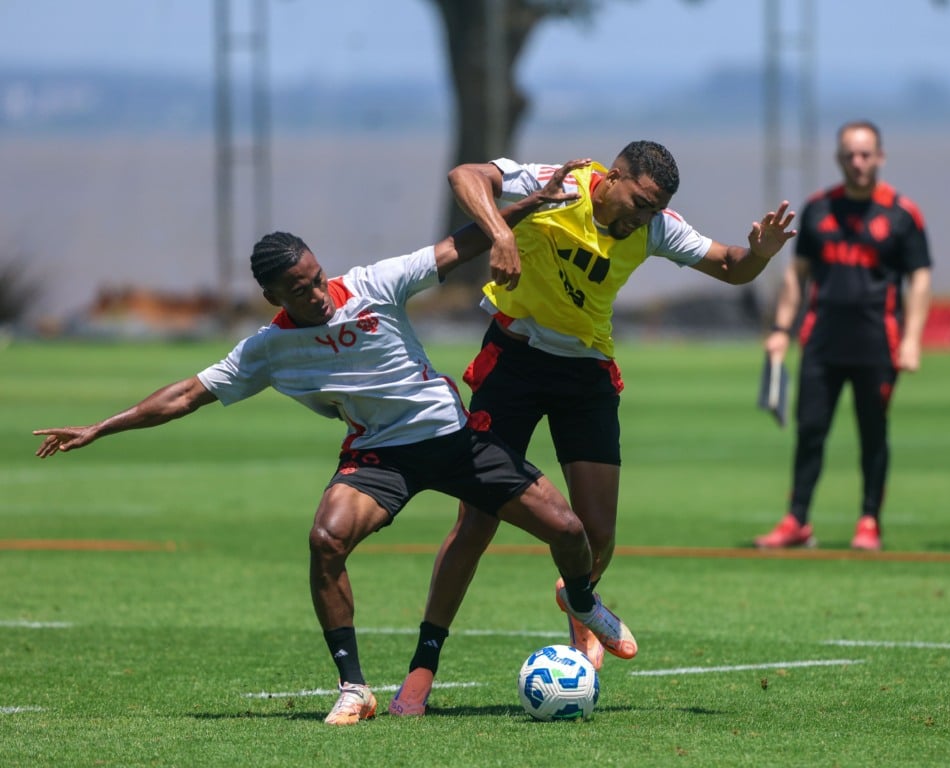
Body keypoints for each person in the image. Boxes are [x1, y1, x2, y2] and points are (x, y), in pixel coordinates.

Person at [31, 161, 637, 726]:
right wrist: (100, 427)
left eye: (317, 278)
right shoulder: (267, 348)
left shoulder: (374, 285)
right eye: (300, 289)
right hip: (379, 458)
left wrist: (526, 207)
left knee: (567, 530)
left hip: (453, 439)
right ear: (275, 298)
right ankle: (355, 687)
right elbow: (186, 395)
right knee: (326, 540)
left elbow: (458, 247)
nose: (318, 293)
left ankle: (582, 602)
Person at [389, 139, 797, 717]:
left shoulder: (654, 228)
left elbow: (730, 265)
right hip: (514, 359)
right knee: (476, 520)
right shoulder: (556, 183)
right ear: (613, 177)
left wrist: (760, 253)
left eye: (654, 209)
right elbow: (465, 175)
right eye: (639, 201)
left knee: (597, 532)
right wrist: (503, 234)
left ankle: (575, 597)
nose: (643, 217)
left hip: (585, 371)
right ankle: (423, 668)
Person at [753, 121, 932, 552]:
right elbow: (797, 278)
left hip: (878, 341)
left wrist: (911, 340)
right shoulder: (817, 210)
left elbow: (920, 279)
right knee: (810, 430)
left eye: (866, 154)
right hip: (822, 341)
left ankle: (869, 521)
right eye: (850, 155)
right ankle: (798, 520)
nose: (858, 162)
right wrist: (781, 330)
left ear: (880, 157)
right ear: (839, 159)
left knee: (873, 433)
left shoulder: (902, 214)